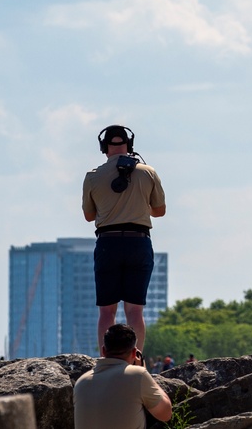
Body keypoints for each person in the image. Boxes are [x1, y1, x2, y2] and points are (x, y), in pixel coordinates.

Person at [83, 124, 166, 353]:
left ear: (104, 147)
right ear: (130, 145)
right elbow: (160, 211)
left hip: (108, 243)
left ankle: (105, 359)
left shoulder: (92, 176)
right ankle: (136, 359)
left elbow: (89, 216)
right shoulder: (148, 172)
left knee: (106, 311)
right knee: (135, 311)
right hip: (138, 241)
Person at [74, 323, 172, 429]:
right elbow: (165, 414)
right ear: (134, 352)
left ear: (103, 351)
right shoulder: (138, 375)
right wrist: (145, 372)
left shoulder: (81, 382)